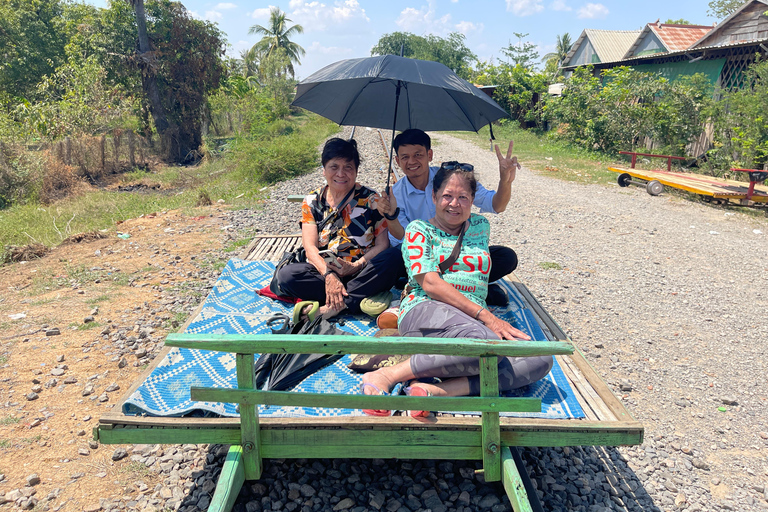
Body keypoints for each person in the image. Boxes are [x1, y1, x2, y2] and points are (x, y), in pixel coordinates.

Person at [361, 163, 553, 417]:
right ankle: (389, 374)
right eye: (447, 196)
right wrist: (487, 317)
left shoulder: (479, 226)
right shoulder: (419, 231)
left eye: (463, 197)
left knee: (540, 357)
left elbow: (498, 204)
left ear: (473, 200)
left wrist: (505, 181)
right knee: (487, 344)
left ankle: (438, 391)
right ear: (434, 197)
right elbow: (429, 283)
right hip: (426, 309)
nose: (454, 204)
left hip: (470, 320)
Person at [374, 129, 519, 303]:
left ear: (430, 154)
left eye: (418, 154)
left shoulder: (451, 177)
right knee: (391, 258)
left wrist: (505, 181)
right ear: (397, 161)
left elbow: (497, 205)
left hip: (458, 255)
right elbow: (401, 239)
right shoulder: (395, 194)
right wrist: (391, 216)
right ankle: (467, 289)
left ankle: (437, 288)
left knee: (507, 257)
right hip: (421, 258)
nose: (412, 161)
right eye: (405, 157)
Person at [273, 138, 397, 319]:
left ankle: (335, 305)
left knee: (394, 257)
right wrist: (330, 275)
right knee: (287, 276)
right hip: (324, 273)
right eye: (334, 167)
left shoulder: (372, 199)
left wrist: (355, 266)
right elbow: (310, 248)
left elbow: (382, 245)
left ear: (356, 171)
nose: (341, 173)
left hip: (362, 271)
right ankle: (355, 297)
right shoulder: (312, 201)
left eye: (348, 167)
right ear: (324, 170)